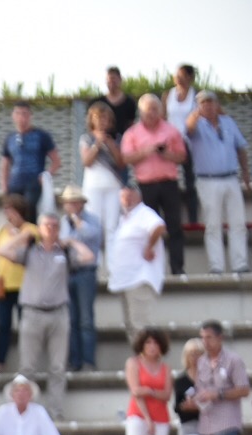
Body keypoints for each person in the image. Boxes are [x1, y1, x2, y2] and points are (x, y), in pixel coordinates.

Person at [0, 211, 92, 421]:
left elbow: (88, 257)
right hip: (32, 312)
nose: (50, 230)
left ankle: (55, 412)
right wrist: (24, 236)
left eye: (54, 226)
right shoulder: (29, 250)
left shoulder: (65, 253)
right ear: (40, 228)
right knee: (27, 367)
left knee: (57, 367)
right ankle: (26, 413)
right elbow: (1, 249)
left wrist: (72, 242)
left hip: (59, 313)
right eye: (46, 225)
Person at [185, 91, 252, 275]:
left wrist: (245, 172)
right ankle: (217, 266)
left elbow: (241, 147)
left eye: (210, 102)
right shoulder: (196, 124)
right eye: (203, 103)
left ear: (216, 104)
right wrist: (195, 115)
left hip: (231, 178)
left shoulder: (228, 122)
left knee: (238, 223)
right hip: (208, 180)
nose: (207, 105)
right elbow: (188, 130)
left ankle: (240, 264)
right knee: (213, 225)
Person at [121, 94, 187, 275]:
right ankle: (151, 268)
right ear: (140, 112)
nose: (151, 113)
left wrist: (167, 155)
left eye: (154, 109)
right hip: (145, 185)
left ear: (160, 111)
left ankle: (177, 268)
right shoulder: (132, 133)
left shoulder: (171, 130)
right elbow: (126, 158)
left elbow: (182, 157)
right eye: (147, 109)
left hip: (169, 183)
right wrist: (147, 151)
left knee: (174, 227)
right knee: (147, 230)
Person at [107, 182, 167, 338]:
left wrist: (149, 247)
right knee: (131, 326)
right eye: (123, 196)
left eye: (130, 195)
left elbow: (159, 227)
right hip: (125, 280)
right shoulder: (124, 219)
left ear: (138, 196)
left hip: (139, 279)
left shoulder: (144, 213)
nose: (126, 200)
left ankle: (147, 362)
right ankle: (138, 362)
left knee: (142, 326)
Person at [0, 195, 38, 371]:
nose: (8, 214)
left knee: (25, 327)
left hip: (23, 285)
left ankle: (27, 363)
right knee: (3, 326)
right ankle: (0, 362)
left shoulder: (30, 229)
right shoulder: (2, 230)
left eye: (10, 210)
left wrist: (15, 235)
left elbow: (23, 246)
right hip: (3, 285)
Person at [59, 186, 103, 372]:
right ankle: (74, 361)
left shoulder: (92, 220)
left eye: (73, 202)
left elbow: (91, 236)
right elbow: (60, 242)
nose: (70, 206)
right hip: (68, 272)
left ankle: (88, 361)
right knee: (71, 319)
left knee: (86, 319)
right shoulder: (62, 222)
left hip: (86, 272)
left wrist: (76, 221)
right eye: (68, 203)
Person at [78, 102, 125, 267]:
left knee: (112, 227)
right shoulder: (85, 139)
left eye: (106, 118)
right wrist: (97, 144)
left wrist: (111, 145)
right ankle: (94, 265)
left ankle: (113, 267)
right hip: (93, 187)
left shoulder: (117, 139)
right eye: (99, 117)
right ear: (92, 119)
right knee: (94, 227)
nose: (103, 121)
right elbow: (86, 161)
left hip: (113, 186)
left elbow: (121, 163)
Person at [0, 102, 60, 223]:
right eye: (18, 113)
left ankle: (32, 239)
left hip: (33, 183)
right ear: (13, 116)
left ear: (30, 116)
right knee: (14, 213)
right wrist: (4, 186)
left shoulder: (42, 136)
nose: (21, 117)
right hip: (15, 184)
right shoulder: (10, 138)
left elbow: (56, 161)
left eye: (25, 114)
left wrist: (46, 176)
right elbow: (5, 165)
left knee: (30, 211)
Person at [166, 65, 200, 225]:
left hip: (189, 142)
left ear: (190, 77)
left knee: (189, 181)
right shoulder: (169, 94)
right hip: (171, 142)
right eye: (177, 75)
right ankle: (170, 217)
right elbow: (164, 117)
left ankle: (193, 219)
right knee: (169, 179)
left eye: (182, 75)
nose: (178, 78)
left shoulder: (196, 95)